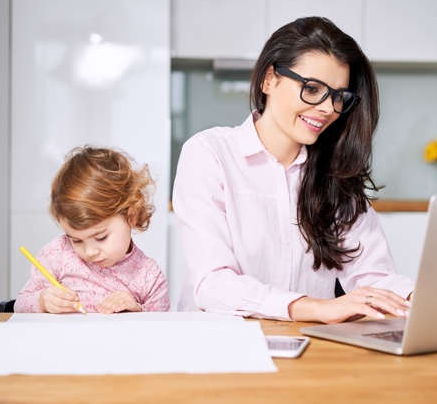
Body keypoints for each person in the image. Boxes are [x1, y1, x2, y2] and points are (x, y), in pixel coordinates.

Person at [173, 16, 413, 324]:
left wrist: (413, 298)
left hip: (307, 349)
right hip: (218, 345)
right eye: (312, 89)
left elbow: (374, 276)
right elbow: (213, 285)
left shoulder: (336, 176)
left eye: (339, 97)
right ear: (269, 79)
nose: (328, 109)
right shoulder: (209, 154)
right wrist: (316, 308)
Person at [15, 146, 170, 314]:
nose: (89, 252)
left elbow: (162, 330)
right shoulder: (57, 254)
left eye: (101, 237)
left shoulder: (149, 276)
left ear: (131, 215)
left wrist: (138, 311)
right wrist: (42, 301)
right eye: (76, 240)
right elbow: (19, 305)